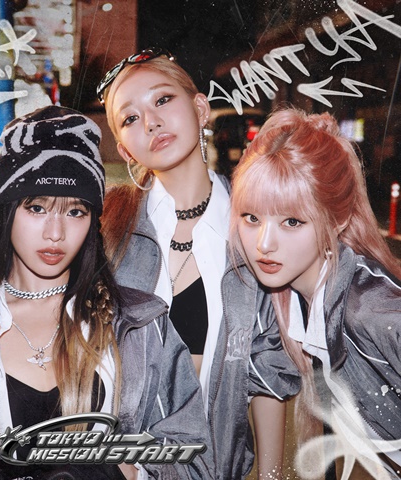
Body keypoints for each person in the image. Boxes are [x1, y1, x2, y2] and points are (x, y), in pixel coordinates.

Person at [0, 106, 213, 480]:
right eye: (37, 207)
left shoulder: (138, 325)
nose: (55, 233)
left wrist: (119, 473)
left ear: (93, 220)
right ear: (7, 210)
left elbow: (195, 461)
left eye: (75, 212)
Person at [96, 48, 300, 479]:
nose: (150, 122)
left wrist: (272, 477)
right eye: (130, 118)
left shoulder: (253, 227)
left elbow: (267, 370)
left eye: (162, 99)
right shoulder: (108, 231)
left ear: (201, 108)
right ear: (125, 150)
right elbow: (0, 248)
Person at [230, 108, 401, 478]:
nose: (264, 244)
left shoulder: (372, 311)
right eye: (251, 218)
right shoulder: (297, 302)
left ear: (337, 220)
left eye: (292, 221)